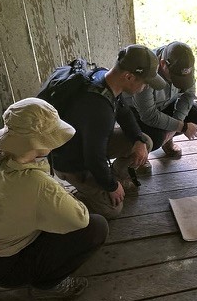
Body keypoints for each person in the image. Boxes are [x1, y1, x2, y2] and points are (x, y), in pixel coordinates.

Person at [0, 97, 108, 299]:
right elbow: (80, 219)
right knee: (96, 227)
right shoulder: (38, 184)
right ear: (37, 143)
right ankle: (50, 283)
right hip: (8, 268)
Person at [47, 44, 160, 218]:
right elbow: (94, 157)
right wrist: (111, 186)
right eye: (145, 82)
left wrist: (138, 139)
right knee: (112, 209)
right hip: (69, 161)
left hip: (87, 144)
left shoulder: (103, 77)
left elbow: (124, 112)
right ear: (129, 76)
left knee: (145, 141)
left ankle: (112, 178)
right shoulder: (98, 109)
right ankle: (69, 200)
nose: (146, 87)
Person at [129, 41, 197, 162]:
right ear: (163, 63)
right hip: (137, 113)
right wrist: (183, 127)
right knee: (156, 137)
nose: (178, 82)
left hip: (164, 105)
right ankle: (141, 154)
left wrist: (178, 122)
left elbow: (189, 95)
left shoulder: (184, 63)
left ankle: (167, 140)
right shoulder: (146, 71)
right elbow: (149, 115)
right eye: (175, 77)